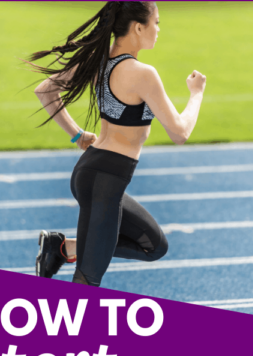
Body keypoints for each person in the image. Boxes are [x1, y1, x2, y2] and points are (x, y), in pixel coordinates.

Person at [30, 1, 206, 286]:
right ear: (138, 27)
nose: (158, 29)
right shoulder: (142, 74)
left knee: (155, 246)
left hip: (92, 171)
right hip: (105, 179)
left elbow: (45, 90)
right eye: (156, 22)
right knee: (87, 281)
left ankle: (63, 248)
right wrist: (196, 94)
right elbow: (179, 133)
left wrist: (77, 135)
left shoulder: (100, 60)